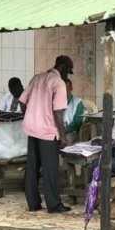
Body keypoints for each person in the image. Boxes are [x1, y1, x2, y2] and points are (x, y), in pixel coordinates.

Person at [19, 55, 73, 213]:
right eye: (68, 72)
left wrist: (31, 116)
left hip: (32, 128)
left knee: (32, 167)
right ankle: (54, 205)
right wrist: (62, 137)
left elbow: (22, 102)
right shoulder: (59, 83)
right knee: (50, 169)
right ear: (62, 68)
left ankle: (33, 204)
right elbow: (58, 113)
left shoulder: (37, 78)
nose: (67, 76)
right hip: (47, 132)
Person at [62, 79, 86, 143]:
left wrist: (65, 130)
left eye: (66, 87)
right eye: (62, 88)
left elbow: (77, 123)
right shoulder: (57, 101)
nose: (64, 90)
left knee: (66, 139)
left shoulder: (77, 102)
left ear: (71, 88)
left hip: (72, 132)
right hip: (58, 130)